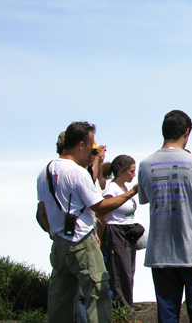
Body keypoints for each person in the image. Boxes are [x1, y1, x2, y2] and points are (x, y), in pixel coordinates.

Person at [37, 121, 138, 323]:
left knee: (60, 301)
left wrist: (54, 233)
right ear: (80, 145)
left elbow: (42, 211)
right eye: (90, 146)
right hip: (81, 242)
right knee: (98, 293)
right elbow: (100, 207)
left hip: (58, 245)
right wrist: (132, 192)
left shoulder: (46, 171)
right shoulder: (77, 172)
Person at [138, 110, 192, 323]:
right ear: (187, 132)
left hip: (161, 252)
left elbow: (145, 198)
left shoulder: (146, 164)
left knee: (167, 315)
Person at [98, 155, 141, 311]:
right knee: (119, 271)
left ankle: (127, 303)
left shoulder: (123, 188)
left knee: (128, 270)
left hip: (128, 231)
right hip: (115, 231)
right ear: (121, 171)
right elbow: (103, 213)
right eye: (131, 171)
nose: (133, 174)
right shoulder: (112, 189)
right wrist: (101, 238)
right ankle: (121, 306)